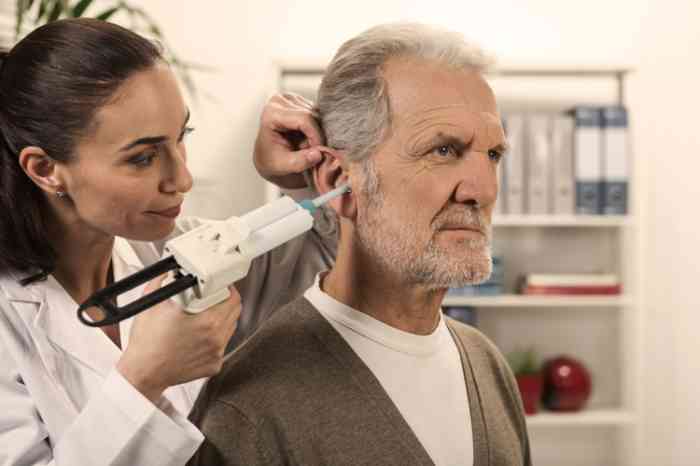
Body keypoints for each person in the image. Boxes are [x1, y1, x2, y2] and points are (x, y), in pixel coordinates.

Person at [188, 23, 531, 466]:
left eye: (493, 155)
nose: (481, 189)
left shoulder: (487, 365)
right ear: (338, 181)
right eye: (443, 150)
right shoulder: (251, 408)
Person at [0, 18, 334, 466]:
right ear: (44, 169)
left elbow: (328, 266)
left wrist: (299, 183)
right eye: (142, 157)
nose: (182, 178)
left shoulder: (174, 251)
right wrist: (143, 378)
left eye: (182, 139)